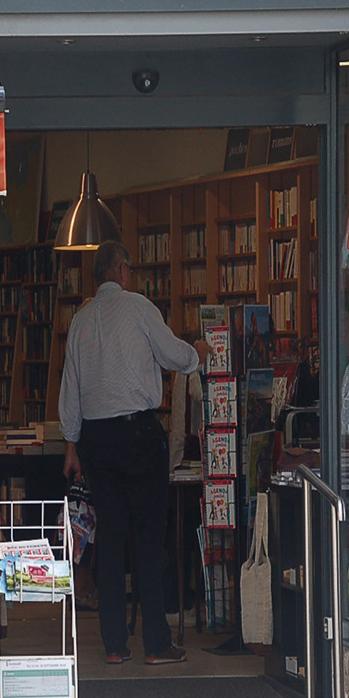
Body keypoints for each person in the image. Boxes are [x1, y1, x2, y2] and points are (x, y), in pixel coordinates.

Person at [59, 240, 210, 666]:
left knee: (109, 540)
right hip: (139, 435)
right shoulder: (140, 308)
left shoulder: (80, 321)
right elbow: (172, 353)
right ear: (122, 271)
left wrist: (71, 446)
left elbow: (70, 389)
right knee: (147, 538)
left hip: (95, 440)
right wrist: (195, 355)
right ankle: (157, 644)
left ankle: (113, 645)